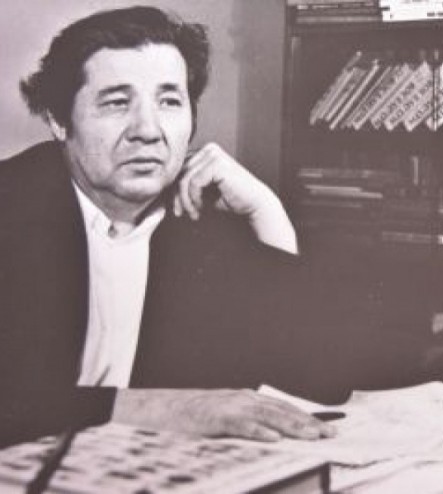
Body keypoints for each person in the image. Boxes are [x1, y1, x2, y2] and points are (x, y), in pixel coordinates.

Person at [0, 6, 337, 448]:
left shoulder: (201, 229)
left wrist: (267, 213)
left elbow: (314, 385)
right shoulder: (12, 207)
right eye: (117, 102)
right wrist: (160, 409)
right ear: (59, 121)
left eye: (169, 102)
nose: (148, 130)